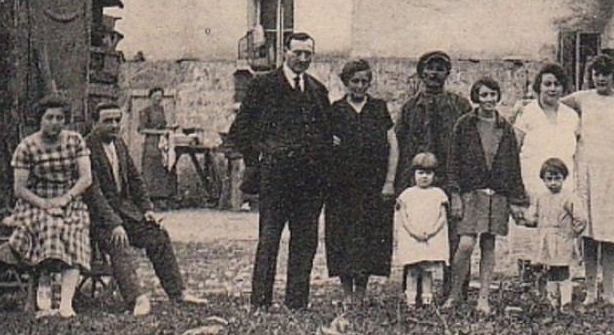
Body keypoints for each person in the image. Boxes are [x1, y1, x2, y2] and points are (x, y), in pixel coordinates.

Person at [229, 31, 334, 310]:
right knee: (269, 239)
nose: (302, 59)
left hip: (310, 182)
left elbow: (326, 134)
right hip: (275, 178)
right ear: (284, 52)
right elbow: (239, 132)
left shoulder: (317, 90)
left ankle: (297, 302)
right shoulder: (262, 86)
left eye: (307, 54)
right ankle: (260, 301)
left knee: (305, 241)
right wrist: (260, 160)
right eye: (297, 52)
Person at [85, 102, 207, 315]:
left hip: (125, 212)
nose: (114, 125)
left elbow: (134, 178)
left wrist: (147, 209)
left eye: (117, 120)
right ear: (95, 122)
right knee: (119, 242)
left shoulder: (119, 144)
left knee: (158, 235)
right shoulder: (86, 148)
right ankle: (136, 299)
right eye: (107, 121)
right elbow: (93, 193)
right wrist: (114, 224)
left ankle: (178, 292)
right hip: (97, 218)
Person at [443, 76, 530, 314]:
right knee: (466, 244)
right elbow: (453, 161)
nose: (489, 100)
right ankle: (454, 294)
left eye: (493, 95)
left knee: (488, 245)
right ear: (476, 98)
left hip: (497, 193)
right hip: (471, 192)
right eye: (484, 95)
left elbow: (513, 164)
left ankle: (483, 298)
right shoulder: (464, 124)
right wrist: (455, 194)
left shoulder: (506, 128)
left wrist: (517, 199)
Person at [561, 55, 614, 307]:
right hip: (587, 173)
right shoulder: (582, 98)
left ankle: (609, 292)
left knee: (610, 234)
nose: (601, 78)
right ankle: (590, 290)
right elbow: (552, 103)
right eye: (596, 73)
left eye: (606, 74)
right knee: (589, 233)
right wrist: (523, 105)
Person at [8, 96, 94, 318]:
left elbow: (86, 178)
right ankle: (44, 286)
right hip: (34, 201)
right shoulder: (27, 146)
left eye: (60, 118)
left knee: (75, 230)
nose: (55, 122)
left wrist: (65, 199)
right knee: (50, 226)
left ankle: (66, 303)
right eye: (49, 118)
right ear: (40, 119)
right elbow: (20, 189)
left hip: (69, 199)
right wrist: (45, 204)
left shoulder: (74, 141)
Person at [326, 59, 399, 302]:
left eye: (364, 81)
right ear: (346, 82)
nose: (359, 86)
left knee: (369, 234)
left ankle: (361, 292)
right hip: (341, 186)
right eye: (354, 81)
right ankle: (346, 292)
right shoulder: (335, 109)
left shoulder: (378, 108)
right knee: (342, 235)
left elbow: (393, 145)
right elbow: (325, 142)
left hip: (373, 185)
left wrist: (389, 181)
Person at [395, 51, 471, 271]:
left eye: (439, 69)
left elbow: (467, 146)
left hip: (450, 178)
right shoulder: (409, 107)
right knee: (415, 232)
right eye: (429, 68)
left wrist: (459, 186)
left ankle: (454, 292)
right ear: (421, 72)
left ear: (447, 73)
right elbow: (399, 145)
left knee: (454, 235)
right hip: (417, 180)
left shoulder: (459, 105)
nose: (434, 74)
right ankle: (413, 291)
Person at [509, 64, 580, 275]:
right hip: (531, 181)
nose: (552, 89)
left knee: (559, 234)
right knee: (529, 235)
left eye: (557, 84)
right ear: (538, 86)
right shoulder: (527, 113)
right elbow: (514, 149)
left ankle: (558, 288)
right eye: (547, 84)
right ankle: (528, 285)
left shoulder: (571, 116)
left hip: (562, 186)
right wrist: (516, 189)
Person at [521, 157, 587, 311]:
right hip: (546, 239)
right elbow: (534, 215)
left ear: (564, 178)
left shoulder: (568, 197)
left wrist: (573, 232)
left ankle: (566, 302)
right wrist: (527, 218)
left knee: (562, 269)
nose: (553, 183)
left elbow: (580, 218)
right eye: (549, 179)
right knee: (550, 270)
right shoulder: (541, 197)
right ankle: (552, 302)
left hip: (562, 239)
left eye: (557, 178)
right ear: (543, 179)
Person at [393, 153, 450, 308]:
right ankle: (410, 301)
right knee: (412, 269)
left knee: (427, 271)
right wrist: (413, 231)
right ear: (414, 174)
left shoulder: (438, 194)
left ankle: (427, 301)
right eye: (421, 173)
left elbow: (442, 217)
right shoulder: (407, 194)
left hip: (429, 237)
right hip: (413, 236)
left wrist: (431, 232)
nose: (424, 177)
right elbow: (403, 216)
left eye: (428, 173)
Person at [137, 87, 173, 200]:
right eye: (156, 96)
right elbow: (142, 130)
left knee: (161, 169)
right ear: (150, 97)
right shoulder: (145, 111)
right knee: (149, 169)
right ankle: (147, 197)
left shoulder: (161, 110)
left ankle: (160, 197)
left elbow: (162, 125)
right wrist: (159, 132)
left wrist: (169, 128)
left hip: (161, 142)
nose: (158, 99)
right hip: (151, 143)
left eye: (160, 96)